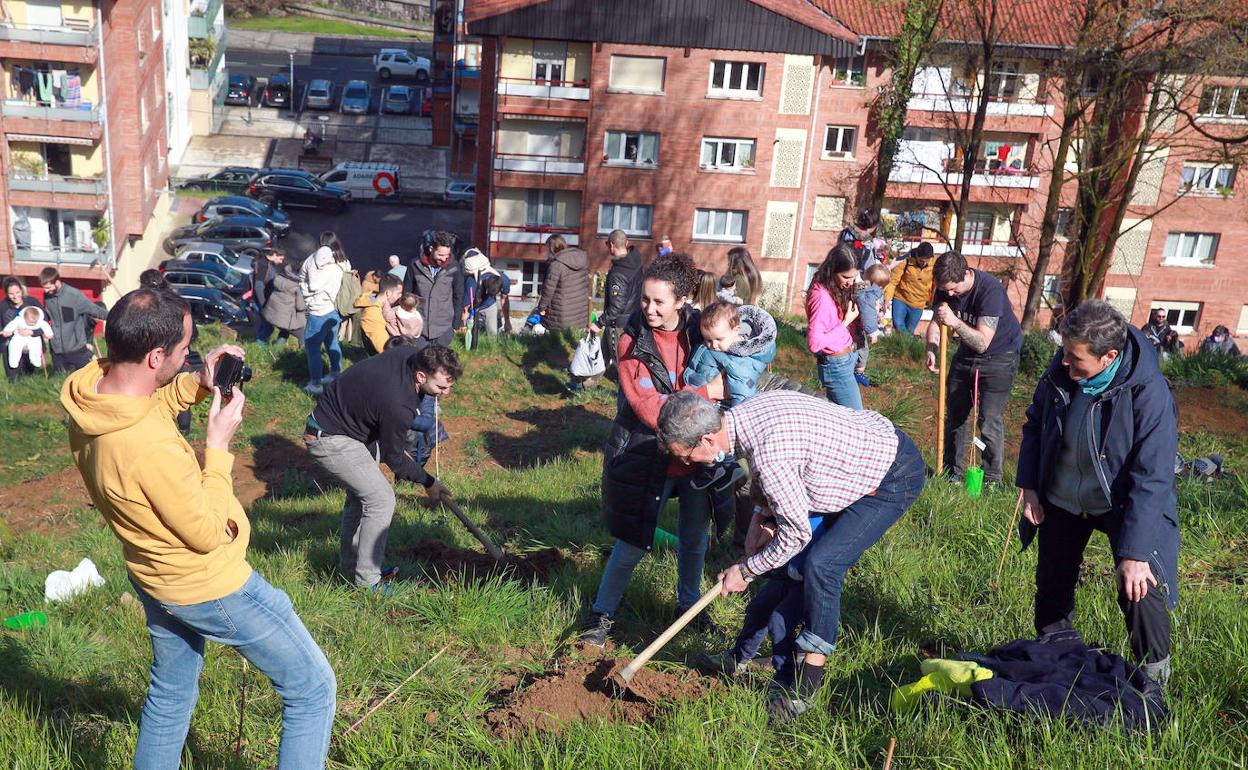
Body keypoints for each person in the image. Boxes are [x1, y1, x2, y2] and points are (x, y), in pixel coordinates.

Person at [60, 288, 336, 768]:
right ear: (154, 356)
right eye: (185, 349)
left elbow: (145, 407)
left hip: (151, 573)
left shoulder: (91, 394)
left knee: (170, 692)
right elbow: (208, 532)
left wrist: (197, 383)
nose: (191, 355)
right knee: (312, 689)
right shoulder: (148, 448)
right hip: (207, 584)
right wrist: (218, 446)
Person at [656, 389, 924, 721]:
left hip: (889, 475)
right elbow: (780, 475)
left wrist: (747, 570)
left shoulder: (770, 455)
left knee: (822, 565)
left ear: (708, 440)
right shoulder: (745, 416)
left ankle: (805, 690)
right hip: (849, 463)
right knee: (789, 577)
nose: (685, 463)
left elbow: (796, 533)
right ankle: (746, 657)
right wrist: (759, 516)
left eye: (684, 456)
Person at [1016, 300, 1179, 687]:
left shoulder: (1149, 393)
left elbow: (1152, 476)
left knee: (1139, 583)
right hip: (1063, 496)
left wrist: (1135, 553)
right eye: (1064, 354)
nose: (1065, 365)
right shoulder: (1062, 370)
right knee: (1052, 581)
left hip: (1120, 501)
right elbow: (1035, 425)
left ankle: (1155, 681)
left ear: (1108, 356)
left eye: (1075, 359)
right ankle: (1055, 658)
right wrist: (1031, 486)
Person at [580, 252, 725, 647]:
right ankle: (602, 614)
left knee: (695, 539)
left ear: (682, 301)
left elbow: (739, 364)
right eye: (645, 299)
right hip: (647, 454)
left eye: (659, 301)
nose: (649, 308)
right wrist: (707, 392)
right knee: (633, 541)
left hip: (695, 458)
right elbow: (650, 408)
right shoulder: (632, 340)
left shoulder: (702, 331)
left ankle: (689, 606)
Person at [304, 343, 460, 590]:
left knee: (361, 497)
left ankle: (352, 567)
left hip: (356, 429)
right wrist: (429, 482)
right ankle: (369, 583)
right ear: (421, 376)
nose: (447, 393)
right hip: (330, 438)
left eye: (450, 386)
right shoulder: (398, 404)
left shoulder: (410, 353)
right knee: (381, 500)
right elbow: (395, 458)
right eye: (441, 387)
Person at [925, 251, 1023, 485]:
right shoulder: (944, 287)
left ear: (966, 275)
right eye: (945, 290)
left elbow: (982, 343)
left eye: (953, 290)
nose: (948, 294)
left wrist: (955, 322)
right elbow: (936, 323)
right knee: (955, 415)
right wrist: (931, 348)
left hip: (999, 357)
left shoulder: (990, 291)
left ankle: (991, 480)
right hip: (964, 356)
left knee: (989, 421)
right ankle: (952, 475)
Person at [684, 299, 777, 535]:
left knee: (714, 451)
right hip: (703, 399)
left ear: (736, 330)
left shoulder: (737, 362)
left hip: (722, 413)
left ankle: (728, 469)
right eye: (708, 340)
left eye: (718, 339)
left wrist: (737, 420)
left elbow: (742, 398)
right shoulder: (724, 348)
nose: (713, 345)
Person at [806, 244, 863, 410]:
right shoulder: (821, 297)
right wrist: (845, 323)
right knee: (856, 419)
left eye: (854, 277)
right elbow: (814, 344)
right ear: (832, 270)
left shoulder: (834, 288)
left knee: (840, 419)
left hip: (844, 361)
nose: (850, 283)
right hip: (836, 366)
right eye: (846, 277)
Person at [589, 229, 643, 372]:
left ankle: (628, 393)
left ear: (612, 245)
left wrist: (598, 323)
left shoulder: (618, 273)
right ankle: (585, 384)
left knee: (622, 365)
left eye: (607, 244)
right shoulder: (636, 261)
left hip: (618, 324)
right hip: (634, 319)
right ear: (626, 243)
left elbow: (616, 306)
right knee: (601, 355)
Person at [299, 243, 350, 395]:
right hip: (334, 311)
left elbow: (312, 287)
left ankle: (315, 384)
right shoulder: (339, 266)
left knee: (312, 347)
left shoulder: (322, 272)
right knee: (332, 341)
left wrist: (302, 284)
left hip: (318, 313)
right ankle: (336, 372)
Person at [403, 230, 464, 347]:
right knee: (418, 362)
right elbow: (406, 294)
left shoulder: (454, 267)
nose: (445, 258)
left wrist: (455, 326)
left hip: (444, 330)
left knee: (438, 363)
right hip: (418, 328)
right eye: (441, 255)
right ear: (431, 249)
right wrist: (407, 321)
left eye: (447, 255)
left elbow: (459, 296)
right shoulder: (414, 265)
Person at [39, 267, 107, 372]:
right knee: (60, 384)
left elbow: (94, 310)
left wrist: (115, 316)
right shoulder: (47, 296)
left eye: (48, 287)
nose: (45, 291)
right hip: (57, 351)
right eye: (44, 288)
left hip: (77, 351)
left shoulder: (74, 295)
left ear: (57, 282)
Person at [536, 234, 589, 331]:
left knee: (557, 343)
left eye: (547, 249)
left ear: (552, 249)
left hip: (560, 315)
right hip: (580, 314)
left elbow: (548, 290)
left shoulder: (556, 265)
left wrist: (541, 307)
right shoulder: (582, 261)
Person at [884, 241, 935, 336]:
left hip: (918, 304)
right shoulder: (905, 260)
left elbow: (936, 285)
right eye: (921, 260)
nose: (923, 263)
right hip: (901, 299)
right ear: (916, 256)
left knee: (909, 330)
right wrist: (887, 298)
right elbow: (893, 281)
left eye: (926, 261)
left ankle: (904, 348)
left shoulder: (935, 266)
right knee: (898, 324)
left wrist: (932, 301)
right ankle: (907, 343)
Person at [853, 263, 892, 387]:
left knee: (856, 348)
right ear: (880, 286)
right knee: (863, 349)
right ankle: (858, 373)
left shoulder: (863, 288)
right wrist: (872, 332)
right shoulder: (868, 293)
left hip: (855, 324)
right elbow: (867, 312)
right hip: (858, 327)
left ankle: (853, 370)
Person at [1, 276, 44, 380]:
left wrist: (32, 332)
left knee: (32, 377)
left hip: (31, 345)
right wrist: (4, 333)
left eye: (17, 292)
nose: (15, 296)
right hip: (11, 346)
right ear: (6, 294)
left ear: (21, 290)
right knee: (14, 378)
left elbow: (44, 324)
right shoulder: (2, 307)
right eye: (11, 294)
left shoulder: (32, 303)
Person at [462, 248, 510, 337]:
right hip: (472, 306)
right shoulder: (472, 283)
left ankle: (491, 347)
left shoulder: (504, 280)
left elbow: (504, 299)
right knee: (471, 333)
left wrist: (507, 321)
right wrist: (464, 326)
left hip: (490, 306)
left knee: (492, 335)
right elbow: (465, 310)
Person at [262, 253, 306, 346]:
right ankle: (302, 356)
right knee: (303, 334)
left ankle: (275, 348)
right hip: (284, 319)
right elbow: (300, 307)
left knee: (285, 330)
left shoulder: (279, 277)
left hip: (271, 313)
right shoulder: (297, 287)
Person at [355, 273, 403, 356]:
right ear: (388, 293)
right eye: (398, 293)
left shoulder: (374, 300)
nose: (400, 296)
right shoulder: (373, 314)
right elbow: (384, 348)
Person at [3, 305, 51, 370]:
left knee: (35, 348)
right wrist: (6, 331)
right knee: (14, 346)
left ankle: (36, 361)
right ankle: (13, 361)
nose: (32, 324)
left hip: (33, 338)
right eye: (30, 322)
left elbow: (46, 326)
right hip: (19, 337)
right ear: (25, 317)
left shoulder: (40, 321)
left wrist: (49, 333)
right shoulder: (19, 320)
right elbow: (12, 325)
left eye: (34, 322)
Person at [252, 250, 285, 344]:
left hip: (263, 300)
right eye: (280, 258)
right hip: (260, 301)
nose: (281, 262)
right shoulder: (263, 265)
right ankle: (259, 347)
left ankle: (260, 345)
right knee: (268, 327)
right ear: (274, 254)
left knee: (265, 326)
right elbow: (258, 287)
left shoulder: (267, 263)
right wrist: (263, 304)